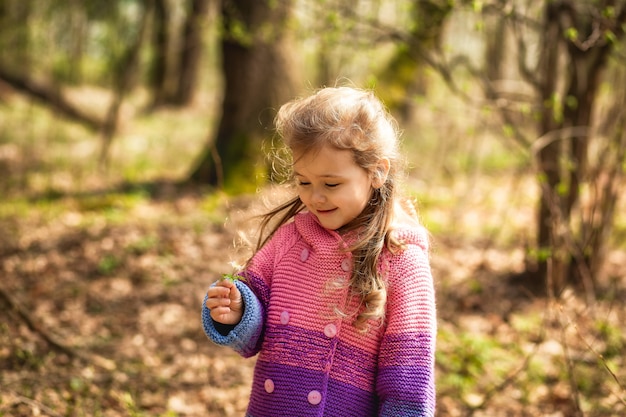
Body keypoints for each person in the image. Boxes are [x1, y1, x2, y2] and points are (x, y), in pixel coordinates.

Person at [202, 86, 436, 416]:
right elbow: (253, 330)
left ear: (377, 172)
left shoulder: (401, 259)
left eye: (331, 184)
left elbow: (408, 382)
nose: (315, 198)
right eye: (304, 182)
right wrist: (238, 311)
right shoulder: (289, 240)